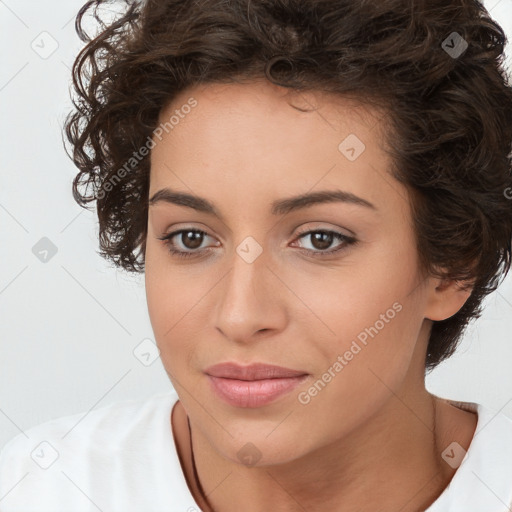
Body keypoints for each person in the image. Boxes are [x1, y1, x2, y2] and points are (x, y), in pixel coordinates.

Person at [1, 0, 512, 510]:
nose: (240, 316)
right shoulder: (39, 490)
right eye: (191, 238)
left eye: (320, 239)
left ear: (451, 266)